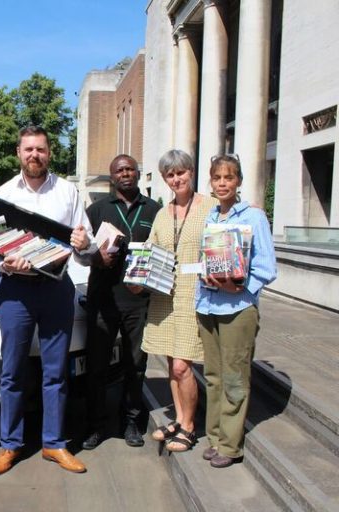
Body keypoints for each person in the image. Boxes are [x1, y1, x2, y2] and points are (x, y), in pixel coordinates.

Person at [0, 125, 96, 476]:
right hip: (15, 290)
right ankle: (10, 445)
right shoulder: (3, 194)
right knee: (12, 371)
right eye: (28, 149)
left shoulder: (68, 192)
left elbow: (86, 243)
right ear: (18, 153)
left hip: (56, 288)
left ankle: (54, 443)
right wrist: (2, 261)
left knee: (56, 372)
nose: (35, 155)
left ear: (50, 153)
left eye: (41, 149)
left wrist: (84, 245)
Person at [196, 155, 276, 468]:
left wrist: (239, 286)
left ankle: (230, 445)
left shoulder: (254, 217)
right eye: (217, 178)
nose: (223, 183)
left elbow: (267, 267)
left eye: (229, 177)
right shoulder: (211, 217)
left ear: (238, 181)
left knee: (234, 377)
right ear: (211, 182)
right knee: (213, 377)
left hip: (238, 308)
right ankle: (214, 437)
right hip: (208, 304)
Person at [136, 149, 217, 453]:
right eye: (171, 174)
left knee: (183, 365)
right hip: (164, 296)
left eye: (181, 172)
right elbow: (150, 250)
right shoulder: (162, 213)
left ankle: (190, 427)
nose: (177, 178)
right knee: (172, 363)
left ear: (191, 172)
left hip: (194, 293)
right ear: (165, 179)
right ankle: (180, 419)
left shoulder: (209, 207)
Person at [82, 154, 162, 450]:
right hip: (103, 300)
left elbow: (162, 250)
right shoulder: (97, 210)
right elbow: (80, 253)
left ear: (138, 174)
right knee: (97, 366)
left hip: (138, 301)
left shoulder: (154, 210)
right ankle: (95, 426)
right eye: (120, 170)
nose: (125, 174)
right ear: (111, 176)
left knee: (136, 365)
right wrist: (96, 257)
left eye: (130, 169)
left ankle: (131, 422)